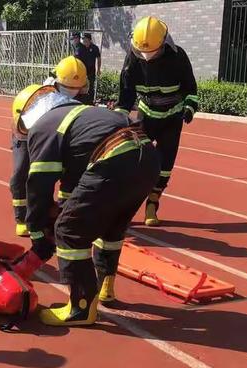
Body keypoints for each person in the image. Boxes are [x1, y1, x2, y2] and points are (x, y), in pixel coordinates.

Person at [11, 72, 161, 325]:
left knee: (69, 231)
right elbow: (76, 184)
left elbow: (38, 184)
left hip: (114, 159)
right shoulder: (81, 115)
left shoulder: (44, 127)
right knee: (111, 225)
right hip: (147, 158)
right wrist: (65, 206)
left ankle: (80, 308)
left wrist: (38, 233)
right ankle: (105, 287)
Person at [116, 16, 198, 226]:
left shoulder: (178, 57)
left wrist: (189, 108)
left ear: (164, 43)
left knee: (165, 164)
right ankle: (122, 206)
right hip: (146, 115)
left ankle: (153, 202)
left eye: (152, 52)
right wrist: (119, 116)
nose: (146, 56)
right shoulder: (133, 57)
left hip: (172, 118)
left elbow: (191, 89)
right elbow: (126, 92)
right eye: (142, 52)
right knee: (134, 158)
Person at [9, 56, 88, 237]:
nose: (73, 91)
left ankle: (58, 212)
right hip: (28, 131)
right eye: (69, 87)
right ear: (57, 81)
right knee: (21, 172)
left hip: (55, 135)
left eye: (76, 88)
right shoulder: (43, 96)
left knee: (60, 171)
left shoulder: (82, 94)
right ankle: (22, 217)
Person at [74, 32, 101, 105]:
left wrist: (98, 69)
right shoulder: (81, 48)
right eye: (83, 39)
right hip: (82, 71)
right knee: (81, 86)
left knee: (91, 86)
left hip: (91, 70)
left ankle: (91, 102)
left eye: (85, 39)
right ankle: (81, 102)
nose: (84, 41)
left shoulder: (95, 48)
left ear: (89, 40)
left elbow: (98, 58)